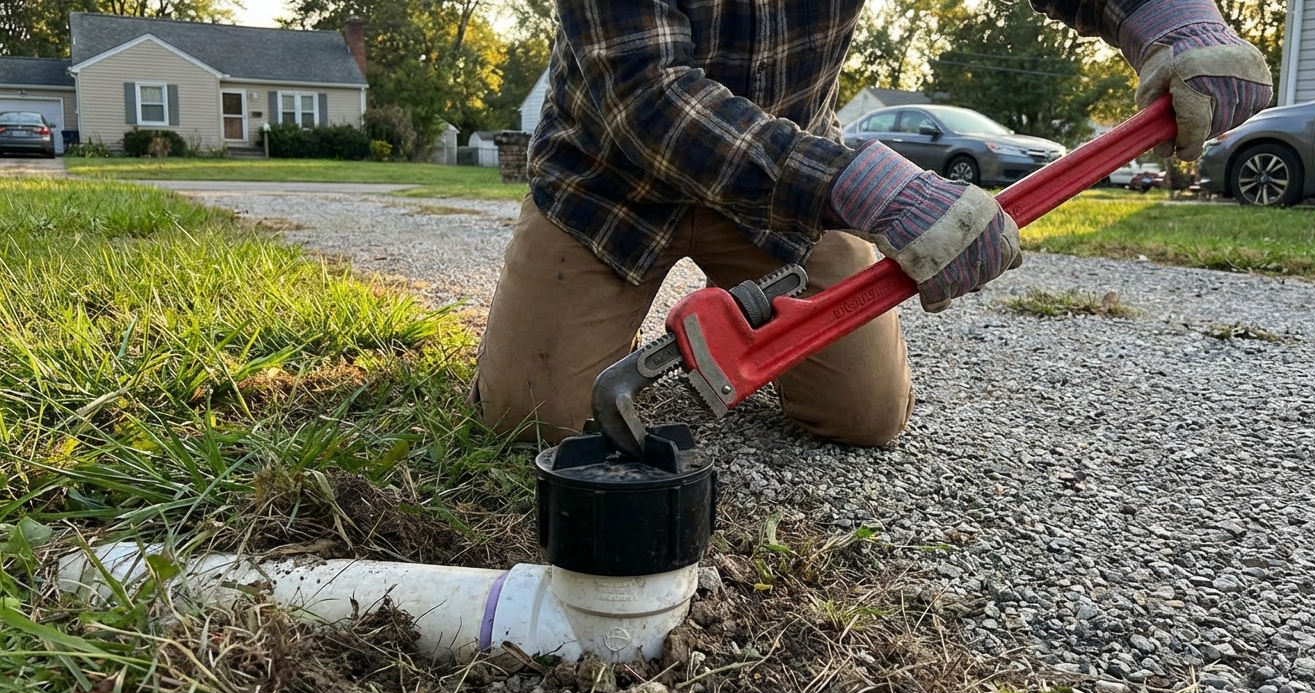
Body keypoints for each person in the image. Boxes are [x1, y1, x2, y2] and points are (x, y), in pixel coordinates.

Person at [471, 0, 1272, 445]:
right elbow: (638, 94)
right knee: (530, 422)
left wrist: (1166, 15)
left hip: (781, 196)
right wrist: (867, 186)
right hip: (612, 184)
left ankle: (754, 339)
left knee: (866, 416)